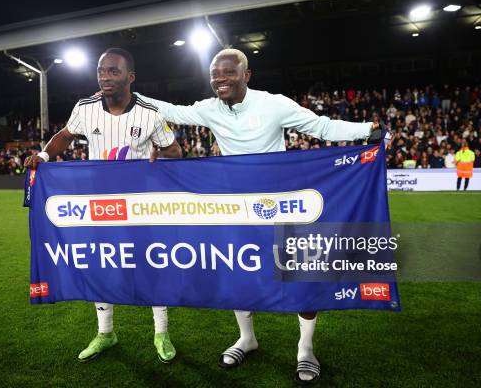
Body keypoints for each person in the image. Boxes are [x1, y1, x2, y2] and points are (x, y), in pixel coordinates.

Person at [136, 48, 383, 385]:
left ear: (246, 75)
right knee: (239, 274)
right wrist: (130, 96)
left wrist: (366, 129)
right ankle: (247, 339)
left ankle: (305, 349)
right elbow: (172, 111)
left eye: (228, 72)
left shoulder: (273, 104)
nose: (220, 78)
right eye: (215, 73)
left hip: (281, 204)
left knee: (301, 274)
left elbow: (321, 127)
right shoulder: (210, 109)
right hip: (237, 207)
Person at [24, 47, 182, 364]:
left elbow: (175, 151)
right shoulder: (85, 108)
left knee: (151, 265)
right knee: (101, 264)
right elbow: (64, 136)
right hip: (100, 204)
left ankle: (161, 333)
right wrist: (42, 155)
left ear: (130, 77)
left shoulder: (150, 114)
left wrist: (159, 152)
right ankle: (106, 332)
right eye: (101, 71)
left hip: (140, 205)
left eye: (113, 71)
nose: (105, 77)